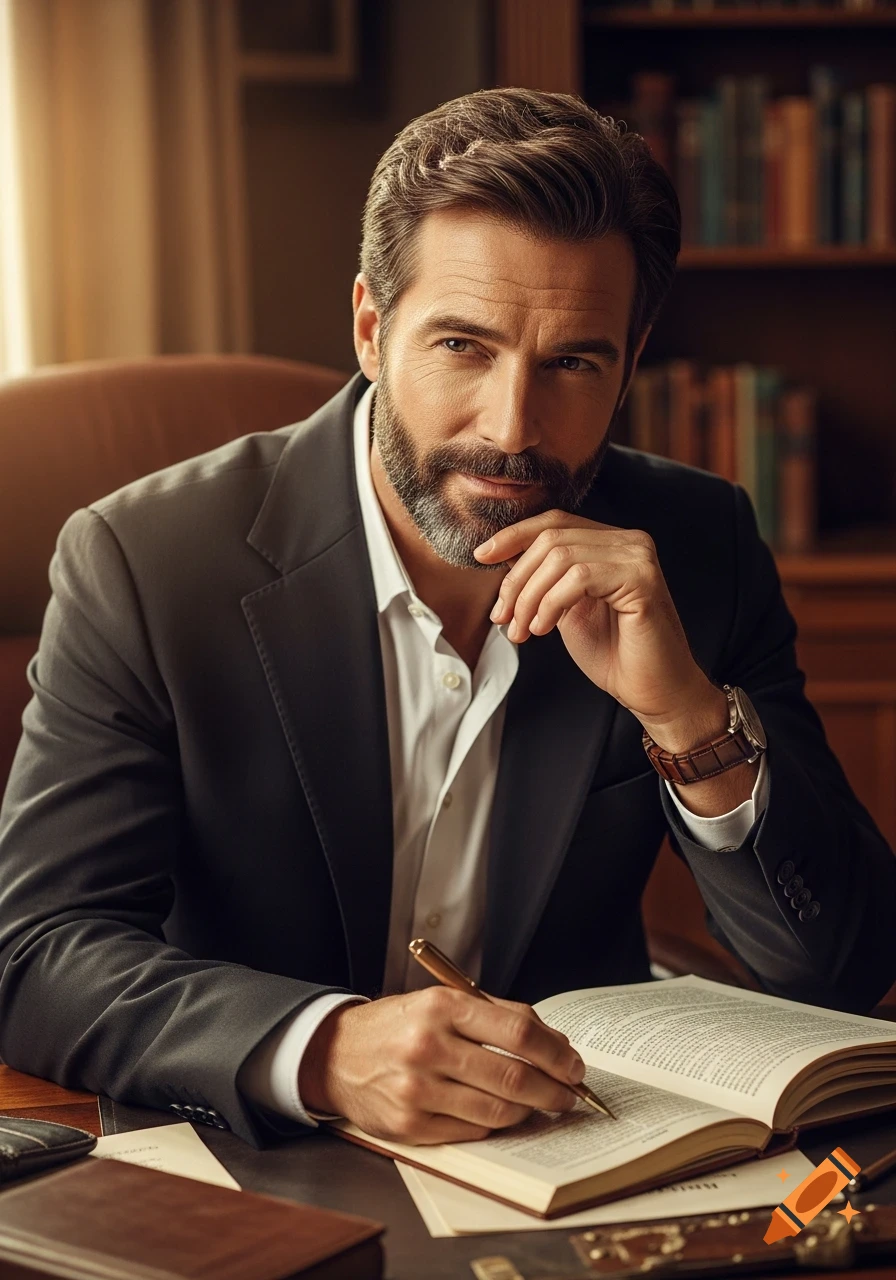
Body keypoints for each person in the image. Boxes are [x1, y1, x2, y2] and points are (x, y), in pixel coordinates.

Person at [1, 88, 894, 1151]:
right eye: (463, 346)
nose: (511, 429)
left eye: (573, 362)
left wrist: (687, 718)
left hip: (568, 1153)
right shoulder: (145, 560)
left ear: (629, 361)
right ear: (370, 329)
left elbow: (840, 971)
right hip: (247, 1149)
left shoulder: (697, 549)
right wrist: (325, 1049)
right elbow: (38, 952)